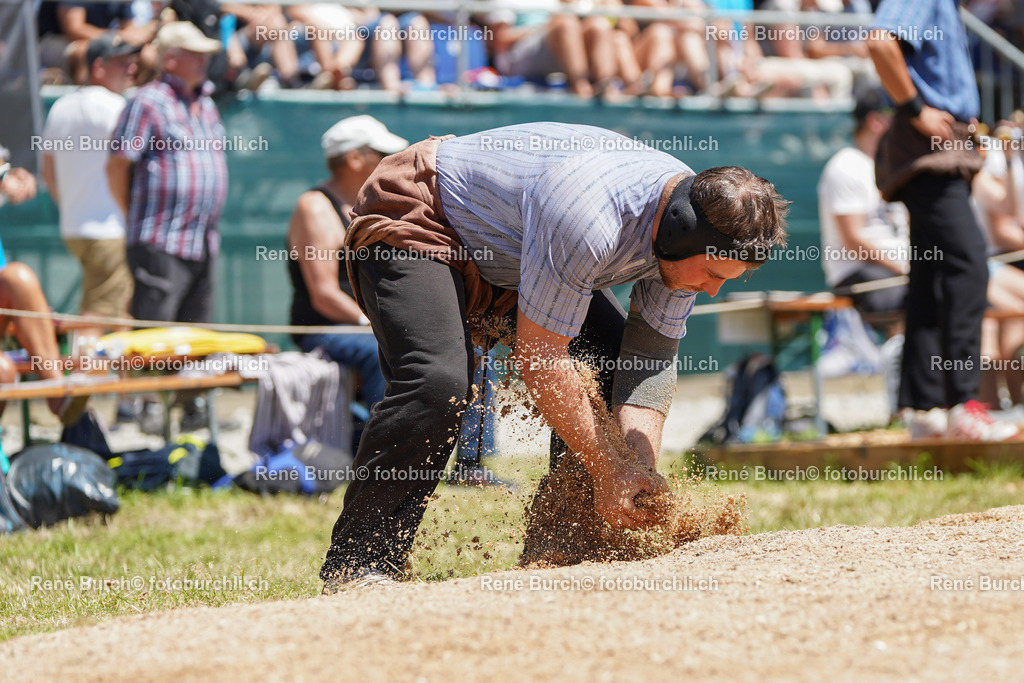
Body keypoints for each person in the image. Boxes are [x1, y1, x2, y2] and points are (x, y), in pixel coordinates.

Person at [319, 122, 789, 591]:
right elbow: (541, 357)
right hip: (422, 213)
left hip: (511, 253)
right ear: (680, 233)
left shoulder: (693, 227)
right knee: (438, 382)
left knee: (608, 360)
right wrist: (609, 468)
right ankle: (358, 563)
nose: (712, 290)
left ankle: (566, 547)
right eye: (710, 273)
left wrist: (637, 470)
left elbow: (647, 361)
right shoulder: (591, 214)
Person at [867, 1, 1016, 441]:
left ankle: (925, 407)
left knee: (931, 279)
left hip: (940, 155)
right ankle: (962, 404)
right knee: (968, 268)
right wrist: (917, 110)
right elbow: (880, 43)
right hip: (928, 156)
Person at [106, 21, 227, 431]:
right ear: (170, 58)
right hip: (159, 237)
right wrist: (134, 217)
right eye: (196, 53)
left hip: (201, 240)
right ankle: (146, 410)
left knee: (195, 332)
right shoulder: (148, 101)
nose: (205, 60)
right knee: (154, 332)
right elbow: (119, 163)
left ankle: (190, 411)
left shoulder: (206, 103)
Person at [287, 115, 402, 412]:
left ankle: (471, 459)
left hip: (373, 324)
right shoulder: (314, 207)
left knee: (471, 348)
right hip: (327, 329)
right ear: (354, 159)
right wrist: (374, 324)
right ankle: (384, 454)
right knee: (384, 353)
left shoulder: (378, 203)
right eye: (382, 155)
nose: (391, 161)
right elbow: (324, 295)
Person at [42, 33, 139, 344]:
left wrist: (69, 206)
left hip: (75, 229)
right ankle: (75, 390)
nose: (132, 69)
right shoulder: (118, 107)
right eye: (123, 63)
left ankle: (130, 390)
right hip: (108, 230)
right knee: (97, 315)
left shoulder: (61, 107)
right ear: (99, 67)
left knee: (120, 309)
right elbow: (125, 167)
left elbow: (48, 170)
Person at [818, 88, 909, 316]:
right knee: (924, 301)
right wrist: (902, 269)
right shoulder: (846, 165)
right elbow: (853, 239)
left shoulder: (893, 166)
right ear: (875, 121)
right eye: (896, 115)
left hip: (895, 273)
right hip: (858, 275)